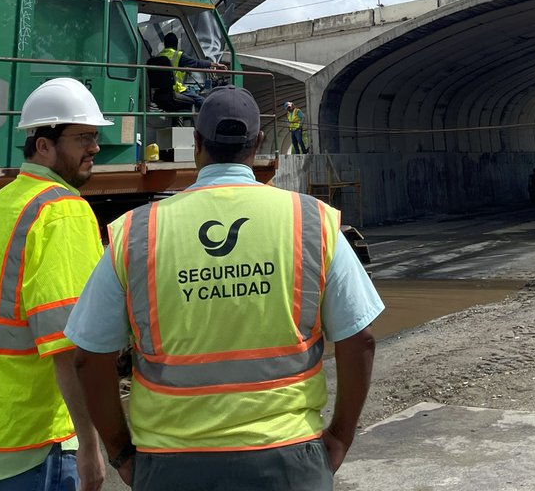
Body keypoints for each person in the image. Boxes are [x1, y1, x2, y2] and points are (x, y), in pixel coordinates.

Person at [68, 85, 383, 490]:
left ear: (197, 142)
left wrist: (122, 454)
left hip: (171, 464)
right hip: (289, 460)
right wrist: (340, 436)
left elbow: (88, 358)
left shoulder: (136, 232)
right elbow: (361, 340)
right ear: (259, 142)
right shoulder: (310, 221)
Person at [0, 77, 113, 491]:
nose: (95, 147)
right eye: (83, 137)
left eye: (96, 136)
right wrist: (92, 443)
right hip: (39, 441)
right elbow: (69, 346)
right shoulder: (63, 212)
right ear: (44, 145)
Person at [155, 30, 214, 108]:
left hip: (159, 93)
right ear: (176, 44)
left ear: (165, 44)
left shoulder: (158, 56)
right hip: (176, 90)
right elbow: (196, 63)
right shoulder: (178, 55)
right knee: (203, 102)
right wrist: (214, 64)